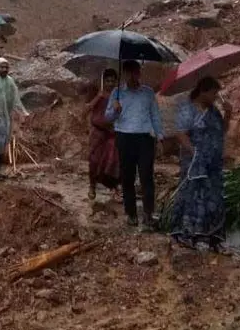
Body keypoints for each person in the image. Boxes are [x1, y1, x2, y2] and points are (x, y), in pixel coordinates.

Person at [169, 77, 231, 250]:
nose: (215, 96)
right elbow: (180, 133)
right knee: (192, 196)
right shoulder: (188, 109)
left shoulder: (214, 111)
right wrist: (195, 151)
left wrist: (228, 115)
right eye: (213, 93)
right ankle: (185, 234)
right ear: (203, 91)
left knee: (214, 198)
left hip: (213, 163)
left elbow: (221, 131)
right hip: (194, 162)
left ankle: (213, 238)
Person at [105, 60, 164, 229]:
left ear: (139, 73)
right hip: (124, 137)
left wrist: (160, 136)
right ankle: (131, 214)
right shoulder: (117, 93)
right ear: (124, 74)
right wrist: (115, 109)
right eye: (129, 73)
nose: (133, 76)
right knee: (127, 177)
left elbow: (155, 115)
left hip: (145, 138)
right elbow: (107, 117)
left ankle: (148, 214)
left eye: (135, 73)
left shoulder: (148, 93)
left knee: (147, 176)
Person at [86, 68, 120, 200]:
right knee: (94, 161)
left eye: (112, 81)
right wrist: (98, 97)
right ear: (103, 81)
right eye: (107, 81)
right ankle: (92, 186)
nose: (110, 83)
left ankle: (114, 187)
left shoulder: (118, 96)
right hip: (97, 133)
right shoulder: (97, 94)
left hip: (112, 134)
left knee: (113, 161)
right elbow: (86, 109)